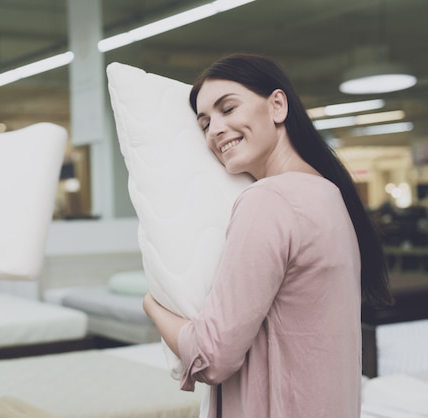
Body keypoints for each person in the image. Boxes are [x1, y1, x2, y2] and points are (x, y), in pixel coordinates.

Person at [143, 54, 393, 418]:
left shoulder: (268, 201)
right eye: (204, 123)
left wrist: (152, 303)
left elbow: (212, 356)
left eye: (228, 108)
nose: (215, 129)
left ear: (277, 105)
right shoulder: (328, 194)